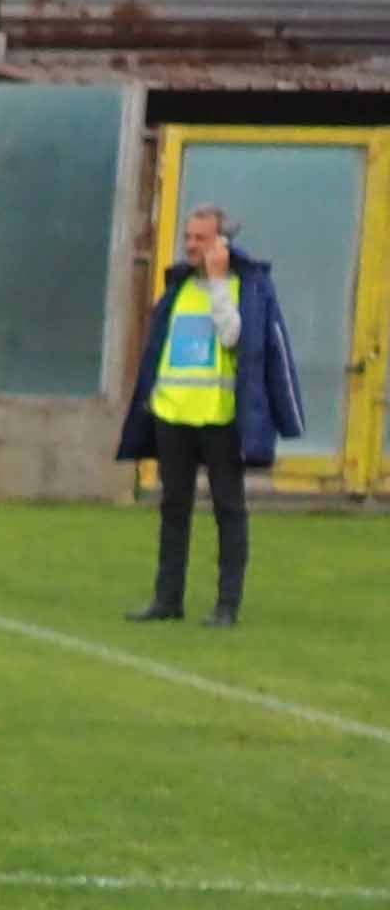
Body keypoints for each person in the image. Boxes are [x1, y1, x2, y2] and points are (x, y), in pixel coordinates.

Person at [117, 203, 304, 627]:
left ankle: (226, 605)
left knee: (228, 509)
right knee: (173, 508)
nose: (191, 245)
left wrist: (219, 282)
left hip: (218, 419)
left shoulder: (242, 287)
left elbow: (235, 337)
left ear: (222, 243)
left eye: (200, 238)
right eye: (188, 237)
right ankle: (167, 600)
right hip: (173, 414)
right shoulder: (179, 288)